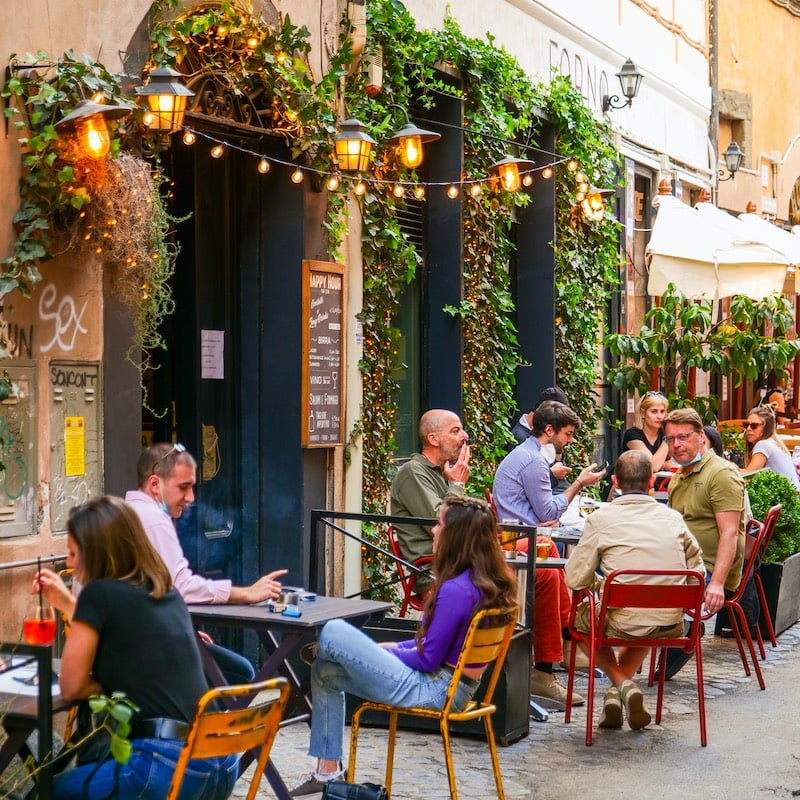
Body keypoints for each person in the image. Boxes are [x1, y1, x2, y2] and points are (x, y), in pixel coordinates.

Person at [288, 496, 517, 797]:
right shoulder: (482, 584)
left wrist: (386, 652)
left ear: (457, 537)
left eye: (440, 525)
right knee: (324, 671)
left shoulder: (455, 590)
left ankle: (327, 648)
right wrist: (395, 645)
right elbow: (434, 648)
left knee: (332, 628)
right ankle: (327, 770)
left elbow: (426, 660)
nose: (434, 532)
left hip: (434, 689)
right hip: (456, 688)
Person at [36, 496, 239, 799]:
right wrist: (66, 602)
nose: (68, 563)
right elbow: (126, 641)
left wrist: (109, 682)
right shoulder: (164, 590)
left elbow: (71, 686)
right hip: (219, 761)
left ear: (97, 554)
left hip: (166, 766)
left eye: (74, 553)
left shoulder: (99, 593)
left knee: (49, 790)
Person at [564, 450, 705, 730]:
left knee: (582, 624)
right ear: (652, 480)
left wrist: (601, 584)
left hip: (624, 618)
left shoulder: (600, 520)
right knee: (647, 614)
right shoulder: (674, 519)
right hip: (668, 622)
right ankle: (618, 694)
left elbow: (575, 578)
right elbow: (698, 573)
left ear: (615, 481)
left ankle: (620, 683)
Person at [126, 443, 288, 683]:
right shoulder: (154, 521)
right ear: (154, 484)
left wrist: (182, 630)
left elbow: (149, 591)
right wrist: (247, 594)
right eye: (184, 487)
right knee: (240, 673)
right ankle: (204, 721)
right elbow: (180, 586)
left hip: (135, 642)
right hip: (145, 652)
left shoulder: (127, 511)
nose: (191, 497)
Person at [492, 400, 606, 705]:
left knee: (554, 559)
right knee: (553, 563)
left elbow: (547, 512)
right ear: (549, 430)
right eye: (567, 434)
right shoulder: (533, 462)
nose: (569, 441)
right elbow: (548, 509)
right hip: (514, 545)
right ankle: (552, 660)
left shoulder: (531, 457)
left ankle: (558, 652)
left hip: (522, 538)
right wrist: (579, 483)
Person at [661, 408, 746, 678]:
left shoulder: (720, 474)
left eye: (683, 437)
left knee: (645, 591)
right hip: (683, 564)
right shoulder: (680, 476)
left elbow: (730, 533)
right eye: (671, 439)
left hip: (707, 570)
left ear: (701, 437)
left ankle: (682, 632)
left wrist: (718, 583)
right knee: (624, 579)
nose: (677, 444)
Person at [390, 410, 470, 594]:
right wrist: (457, 485)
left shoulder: (440, 472)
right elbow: (441, 523)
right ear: (434, 439)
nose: (464, 437)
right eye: (455, 431)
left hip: (458, 562)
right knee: (529, 565)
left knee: (534, 552)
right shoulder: (412, 472)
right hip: (436, 571)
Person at [511, 386, 573, 493]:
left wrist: (558, 452)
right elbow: (526, 483)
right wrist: (552, 474)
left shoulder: (546, 434)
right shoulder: (519, 439)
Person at [741, 405, 800, 490]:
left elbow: (748, 477)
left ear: (765, 427)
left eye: (754, 426)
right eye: (746, 425)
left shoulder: (763, 445)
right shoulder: (773, 442)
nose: (749, 429)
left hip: (787, 500)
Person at [622, 390, 670, 472]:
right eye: (654, 412)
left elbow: (679, 462)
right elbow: (652, 466)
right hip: (630, 482)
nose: (659, 416)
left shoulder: (663, 434)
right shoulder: (632, 435)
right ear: (642, 413)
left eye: (662, 411)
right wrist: (669, 438)